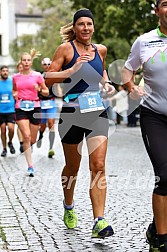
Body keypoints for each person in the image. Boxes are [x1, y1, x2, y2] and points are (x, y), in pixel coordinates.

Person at [45, 9, 115, 238]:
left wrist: (107, 84)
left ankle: (99, 221)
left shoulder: (100, 50)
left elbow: (101, 71)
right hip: (72, 112)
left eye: (89, 24)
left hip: (96, 111)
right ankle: (68, 205)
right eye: (81, 24)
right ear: (74, 27)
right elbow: (49, 77)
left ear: (94, 27)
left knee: (99, 165)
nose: (86, 28)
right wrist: (73, 69)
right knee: (72, 168)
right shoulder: (66, 49)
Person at [122, 0, 167, 251]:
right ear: (157, 11)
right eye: (166, 4)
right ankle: (162, 241)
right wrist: (131, 87)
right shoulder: (145, 41)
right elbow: (127, 70)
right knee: (166, 176)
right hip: (155, 116)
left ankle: (154, 227)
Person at [13, 49, 49, 176]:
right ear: (21, 62)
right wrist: (15, 94)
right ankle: (30, 166)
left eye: (28, 60)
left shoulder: (37, 76)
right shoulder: (15, 77)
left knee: (32, 139)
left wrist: (39, 89)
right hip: (21, 107)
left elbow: (46, 92)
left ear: (31, 62)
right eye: (24, 60)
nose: (26, 62)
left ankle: (31, 144)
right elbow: (14, 90)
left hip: (35, 107)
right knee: (26, 136)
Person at [37, 57, 62, 158]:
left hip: (51, 103)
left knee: (51, 124)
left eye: (48, 64)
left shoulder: (54, 76)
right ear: (42, 66)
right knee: (42, 126)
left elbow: (59, 93)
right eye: (45, 64)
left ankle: (51, 148)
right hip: (41, 103)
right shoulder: (38, 76)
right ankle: (41, 135)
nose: (47, 66)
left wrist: (57, 87)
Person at [0, 66, 16, 157]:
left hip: (10, 109)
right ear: (0, 72)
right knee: (2, 130)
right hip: (1, 110)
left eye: (6, 71)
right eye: (3, 71)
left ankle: (10, 142)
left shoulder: (12, 82)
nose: (5, 72)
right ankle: (4, 148)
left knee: (11, 128)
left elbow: (16, 91)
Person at [16, 62, 24, 153]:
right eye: (20, 67)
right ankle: (21, 143)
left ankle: (28, 141)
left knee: (28, 124)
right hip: (18, 103)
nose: (21, 69)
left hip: (30, 104)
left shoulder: (31, 77)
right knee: (20, 124)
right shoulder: (15, 78)